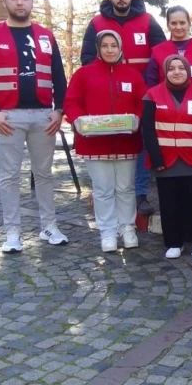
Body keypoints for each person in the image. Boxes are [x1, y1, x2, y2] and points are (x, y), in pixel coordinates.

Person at [0, 0, 68, 253]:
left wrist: (59, 110)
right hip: (7, 118)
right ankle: (13, 232)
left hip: (43, 116)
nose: (19, 3)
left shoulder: (46, 36)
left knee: (45, 174)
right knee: (9, 176)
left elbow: (59, 77)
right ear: (5, 1)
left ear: (31, 2)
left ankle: (49, 225)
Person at [79, 0, 166, 216]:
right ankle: (107, 192)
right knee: (109, 143)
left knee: (139, 144)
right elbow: (87, 59)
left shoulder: (148, 21)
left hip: (142, 96)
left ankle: (138, 195)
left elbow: (162, 56)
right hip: (108, 97)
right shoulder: (97, 23)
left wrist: (155, 92)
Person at [64, 30, 146, 253]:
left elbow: (143, 101)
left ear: (121, 49)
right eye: (105, 46)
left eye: (114, 46)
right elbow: (71, 102)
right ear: (98, 48)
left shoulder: (132, 75)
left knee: (125, 188)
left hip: (125, 143)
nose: (110, 50)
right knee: (102, 190)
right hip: (94, 145)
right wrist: (77, 120)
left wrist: (137, 118)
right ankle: (107, 231)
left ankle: (127, 227)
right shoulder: (84, 75)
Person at [142, 54, 192, 261]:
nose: (177, 72)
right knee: (169, 204)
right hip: (165, 162)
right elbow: (147, 130)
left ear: (188, 71)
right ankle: (174, 242)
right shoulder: (152, 95)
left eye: (181, 68)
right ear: (165, 72)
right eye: (171, 68)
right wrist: (156, 159)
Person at [145, 6, 192, 93]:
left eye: (182, 23)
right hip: (166, 104)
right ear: (168, 25)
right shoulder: (158, 51)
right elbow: (151, 83)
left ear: (189, 24)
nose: (178, 27)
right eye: (174, 23)